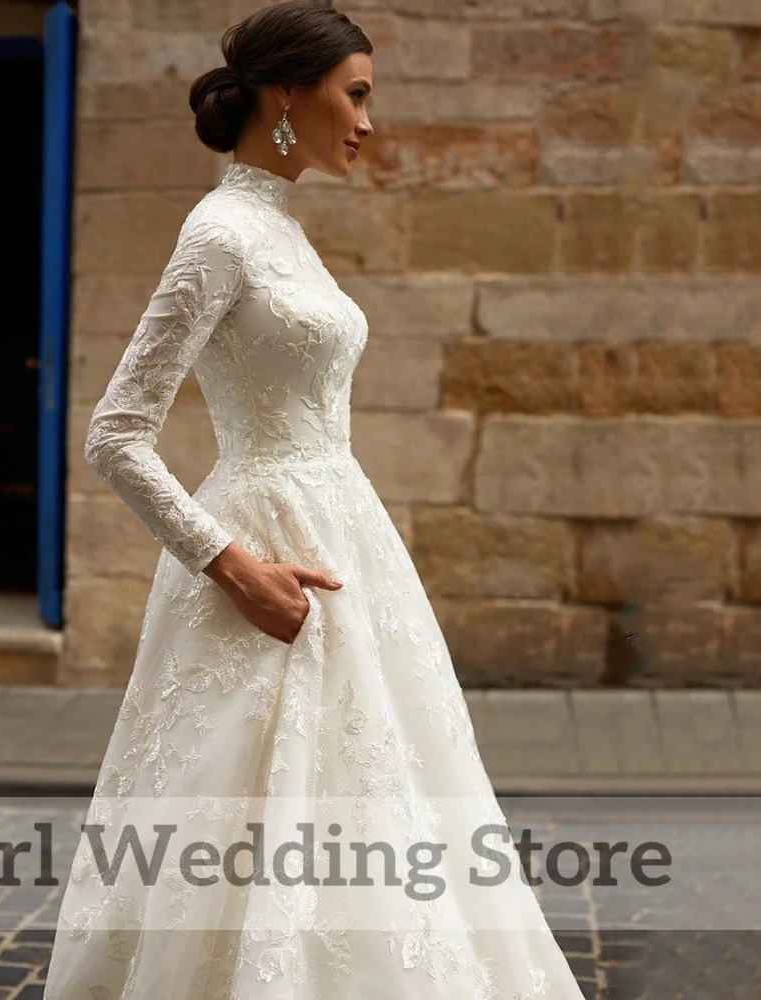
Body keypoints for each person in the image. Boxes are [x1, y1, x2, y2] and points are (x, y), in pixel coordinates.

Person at [43, 4, 587, 998]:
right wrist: (228, 560)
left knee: (370, 797)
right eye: (357, 94)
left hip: (344, 539)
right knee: (258, 814)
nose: (368, 122)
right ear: (286, 94)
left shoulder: (277, 223)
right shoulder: (219, 232)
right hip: (264, 557)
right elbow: (115, 431)